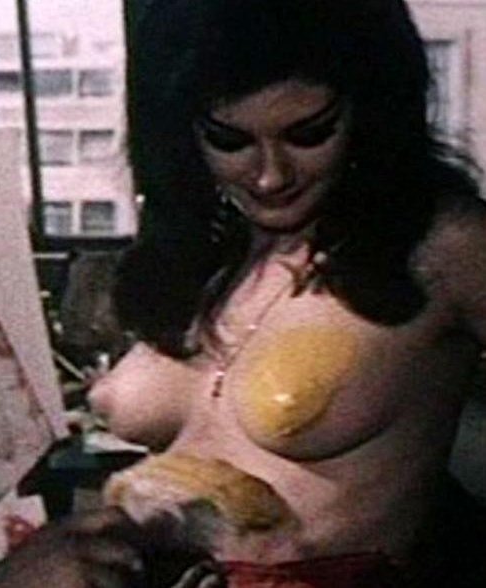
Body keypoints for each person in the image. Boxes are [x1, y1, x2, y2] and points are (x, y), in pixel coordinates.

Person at [85, 0, 486, 585]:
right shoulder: (203, 254)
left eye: (309, 134)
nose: (270, 175)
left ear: (370, 113)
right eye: (229, 140)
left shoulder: (446, 244)